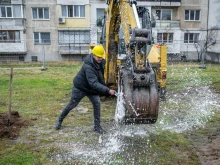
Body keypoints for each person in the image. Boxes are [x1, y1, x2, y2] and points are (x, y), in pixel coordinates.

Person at [55, 45, 116, 134]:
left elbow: (100, 76)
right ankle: (59, 120)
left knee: (97, 104)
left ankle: (97, 127)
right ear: (93, 55)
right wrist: (107, 90)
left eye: (101, 57)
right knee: (72, 105)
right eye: (98, 57)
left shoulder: (101, 62)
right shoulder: (88, 66)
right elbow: (94, 83)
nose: (100, 59)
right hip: (80, 87)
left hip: (91, 89)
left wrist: (104, 89)